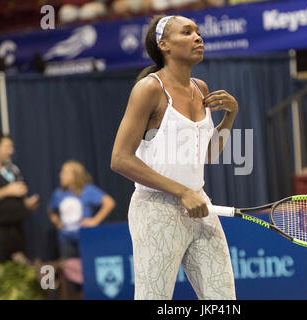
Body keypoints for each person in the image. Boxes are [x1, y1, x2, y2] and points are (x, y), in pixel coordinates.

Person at [111, 15, 239, 300]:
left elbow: (206, 155)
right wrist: (181, 191)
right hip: (155, 210)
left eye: (198, 32)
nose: (198, 37)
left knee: (223, 300)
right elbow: (120, 159)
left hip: (199, 205)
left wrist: (229, 117)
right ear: (164, 44)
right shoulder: (149, 89)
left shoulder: (201, 88)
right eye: (187, 32)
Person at [0, 132, 40, 264]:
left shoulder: (13, 170)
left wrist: (26, 203)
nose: (11, 151)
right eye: (8, 147)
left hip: (16, 233)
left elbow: (14, 199)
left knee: (21, 275)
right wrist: (6, 191)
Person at [48, 160, 115, 259]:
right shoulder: (58, 193)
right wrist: (57, 221)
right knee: (69, 269)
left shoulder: (87, 190)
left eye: (65, 172)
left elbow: (109, 203)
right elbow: (51, 210)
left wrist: (95, 220)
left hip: (85, 238)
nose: (61, 175)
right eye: (62, 172)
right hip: (65, 240)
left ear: (76, 175)